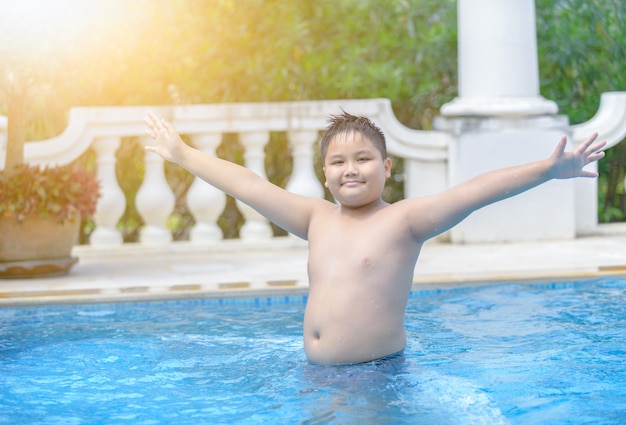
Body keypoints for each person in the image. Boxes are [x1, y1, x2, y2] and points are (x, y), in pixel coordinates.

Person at [144, 110, 605, 365]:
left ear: (386, 168)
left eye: (363, 159)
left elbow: (474, 191)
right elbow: (248, 185)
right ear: (325, 175)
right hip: (315, 375)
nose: (351, 169)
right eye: (339, 162)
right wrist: (182, 154)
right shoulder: (314, 218)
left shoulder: (403, 222)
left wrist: (547, 171)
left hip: (376, 376)